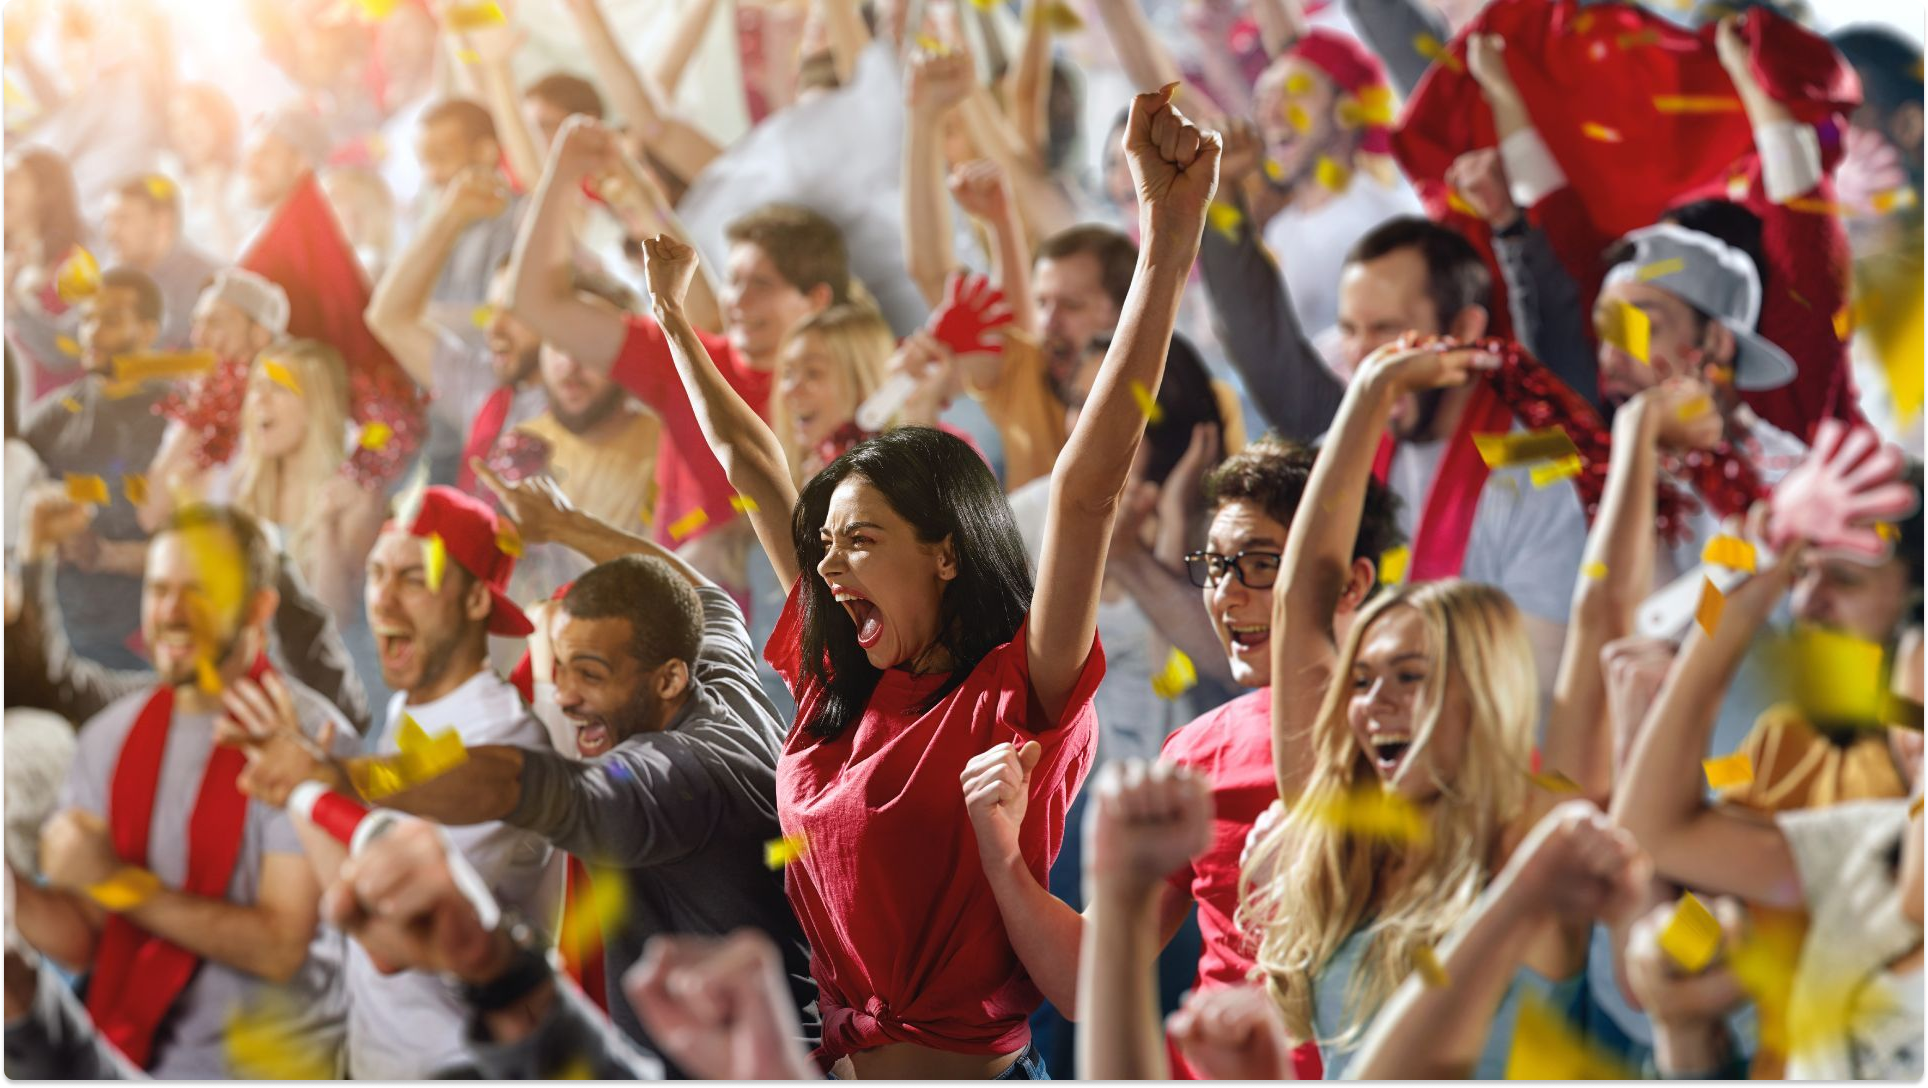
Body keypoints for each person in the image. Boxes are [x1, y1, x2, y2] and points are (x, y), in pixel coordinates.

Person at [635, 79, 1219, 1078]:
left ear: (943, 548)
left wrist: (1167, 236)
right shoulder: (834, 678)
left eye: (859, 537)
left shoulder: (1015, 686)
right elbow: (749, 464)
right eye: (823, 541)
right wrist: (675, 322)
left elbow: (1084, 489)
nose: (823, 561)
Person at [228, 469, 820, 1068]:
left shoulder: (673, 776)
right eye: (559, 668)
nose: (562, 697)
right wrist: (563, 524)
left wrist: (337, 780)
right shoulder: (718, 677)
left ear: (668, 679)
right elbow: (701, 595)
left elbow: (520, 781)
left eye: (590, 674)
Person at [963, 438, 1403, 1079]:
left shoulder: (1411, 739)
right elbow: (1082, 979)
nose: (1227, 595)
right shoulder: (1197, 749)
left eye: (1258, 564)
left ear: (1352, 580)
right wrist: (1002, 854)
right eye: (1217, 566)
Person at [1231, 334, 1607, 1078]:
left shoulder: (1532, 846)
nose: (1374, 707)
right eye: (1363, 680)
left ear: (1483, 693)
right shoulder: (1347, 840)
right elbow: (1302, 607)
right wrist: (1370, 390)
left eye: (1410, 677)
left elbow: (1606, 611)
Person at [7, 504, 355, 1077]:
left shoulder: (309, 745)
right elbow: (82, 940)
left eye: (198, 592)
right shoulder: (107, 740)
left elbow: (280, 946)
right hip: (122, 1057)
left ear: (258, 607)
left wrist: (116, 882)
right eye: (159, 588)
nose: (170, 612)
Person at [248, 485, 565, 1079]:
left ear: (476, 600)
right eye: (375, 574)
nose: (383, 602)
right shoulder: (413, 709)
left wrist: (306, 791)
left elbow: (384, 938)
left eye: (414, 580)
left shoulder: (504, 735)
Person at [510, 117, 851, 585]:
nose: (739, 301)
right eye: (734, 281)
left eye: (763, 285)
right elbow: (538, 303)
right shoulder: (688, 361)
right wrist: (562, 174)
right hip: (685, 616)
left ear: (816, 300)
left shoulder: (851, 382)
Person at [21, 266, 174, 669]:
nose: (90, 333)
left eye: (109, 320)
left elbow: (201, 549)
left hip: (137, 648)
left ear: (147, 332)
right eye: (87, 318)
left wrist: (106, 554)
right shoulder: (56, 414)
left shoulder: (179, 423)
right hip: (52, 636)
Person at [365, 167, 543, 489]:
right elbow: (388, 318)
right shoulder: (484, 387)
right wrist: (450, 216)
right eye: (492, 310)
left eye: (515, 312)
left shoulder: (585, 399)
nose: (495, 327)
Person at [229, 340, 387, 626]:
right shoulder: (244, 487)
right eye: (256, 387)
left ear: (316, 406)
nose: (259, 401)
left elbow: (335, 621)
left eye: (278, 388)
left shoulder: (357, 501)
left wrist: (326, 526)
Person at [3, 147, 90, 397]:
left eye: (14, 179)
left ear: (45, 193)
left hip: (48, 413)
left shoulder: (73, 267)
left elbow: (69, 353)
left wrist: (14, 300)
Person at [99, 174, 221, 349]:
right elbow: (64, 347)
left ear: (163, 221)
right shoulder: (112, 275)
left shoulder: (211, 282)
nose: (110, 232)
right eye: (108, 219)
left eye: (123, 219)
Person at [161, 83, 249, 259]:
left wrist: (214, 200)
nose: (186, 130)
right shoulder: (176, 188)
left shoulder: (245, 182)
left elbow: (235, 261)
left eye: (194, 117)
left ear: (217, 120)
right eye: (176, 123)